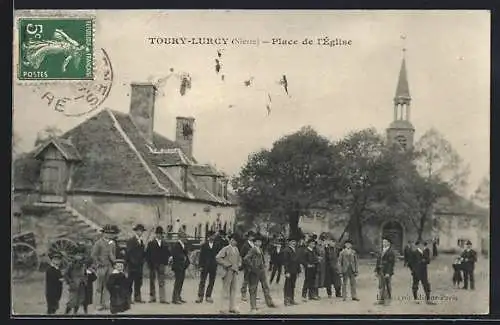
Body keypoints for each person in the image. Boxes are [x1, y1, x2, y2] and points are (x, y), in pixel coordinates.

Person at [243, 233, 277, 313]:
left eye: (260, 242)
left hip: (261, 271)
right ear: (254, 242)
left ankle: (269, 302)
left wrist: (264, 265)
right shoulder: (252, 250)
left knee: (265, 287)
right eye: (257, 242)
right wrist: (253, 267)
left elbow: (262, 259)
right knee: (253, 289)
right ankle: (253, 307)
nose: (259, 243)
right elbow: (246, 259)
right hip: (255, 272)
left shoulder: (260, 249)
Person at [91, 224, 119, 311]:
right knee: (99, 287)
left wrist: (114, 265)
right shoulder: (98, 243)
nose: (109, 235)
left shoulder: (113, 243)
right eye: (107, 233)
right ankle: (97, 304)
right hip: (101, 268)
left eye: (111, 233)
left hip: (109, 267)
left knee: (107, 286)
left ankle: (105, 303)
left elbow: (114, 255)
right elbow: (93, 255)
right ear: (103, 233)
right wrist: (98, 263)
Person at [216, 233, 242, 314]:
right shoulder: (226, 248)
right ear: (231, 240)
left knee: (233, 289)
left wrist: (239, 264)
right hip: (227, 271)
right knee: (225, 289)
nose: (235, 242)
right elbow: (218, 257)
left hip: (234, 271)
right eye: (233, 240)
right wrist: (226, 264)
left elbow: (239, 259)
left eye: (236, 241)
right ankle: (223, 308)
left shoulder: (236, 249)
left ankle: (232, 307)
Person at [145, 226, 171, 304]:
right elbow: (147, 255)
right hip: (153, 264)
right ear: (155, 234)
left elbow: (168, 254)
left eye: (160, 234)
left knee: (162, 281)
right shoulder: (151, 243)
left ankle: (162, 298)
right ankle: (152, 298)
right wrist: (149, 264)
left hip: (161, 265)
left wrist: (166, 263)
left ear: (162, 234)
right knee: (152, 281)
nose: (159, 235)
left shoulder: (165, 243)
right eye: (158, 234)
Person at [64, 245, 91, 314]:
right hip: (74, 285)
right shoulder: (71, 265)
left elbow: (85, 274)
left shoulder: (83, 265)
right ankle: (66, 313)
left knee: (80, 300)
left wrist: (85, 280)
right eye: (78, 255)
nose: (79, 258)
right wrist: (70, 282)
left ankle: (75, 313)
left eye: (81, 257)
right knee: (72, 300)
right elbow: (66, 274)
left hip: (82, 285)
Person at [126, 224, 146, 304]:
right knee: (130, 282)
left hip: (139, 265)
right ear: (136, 231)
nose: (140, 232)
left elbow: (142, 253)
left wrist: (142, 260)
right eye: (139, 230)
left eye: (141, 231)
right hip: (132, 265)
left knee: (138, 282)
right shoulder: (131, 240)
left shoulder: (141, 241)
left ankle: (137, 297)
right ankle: (128, 298)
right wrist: (133, 262)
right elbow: (129, 253)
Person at [196, 230, 219, 303]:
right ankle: (200, 296)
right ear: (209, 237)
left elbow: (218, 255)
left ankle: (208, 296)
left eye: (214, 236)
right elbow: (201, 256)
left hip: (213, 266)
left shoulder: (217, 245)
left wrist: (217, 262)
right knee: (202, 281)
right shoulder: (204, 245)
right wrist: (200, 266)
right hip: (205, 266)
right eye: (212, 236)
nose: (214, 237)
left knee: (211, 281)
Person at [374, 238, 395, 305]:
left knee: (387, 285)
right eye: (383, 242)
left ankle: (388, 300)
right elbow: (378, 261)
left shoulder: (391, 252)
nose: (384, 243)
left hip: (386, 271)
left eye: (385, 242)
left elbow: (391, 263)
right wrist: (376, 270)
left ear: (389, 243)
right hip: (380, 270)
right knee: (381, 285)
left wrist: (388, 273)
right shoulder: (381, 251)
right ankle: (381, 300)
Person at [171, 232, 190, 304]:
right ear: (180, 238)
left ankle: (178, 296)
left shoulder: (184, 245)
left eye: (185, 237)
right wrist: (183, 257)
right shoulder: (176, 245)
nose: (185, 238)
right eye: (184, 237)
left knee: (181, 282)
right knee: (178, 282)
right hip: (178, 266)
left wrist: (187, 262)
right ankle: (175, 298)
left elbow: (186, 254)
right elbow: (175, 255)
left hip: (183, 266)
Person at [282, 235, 301, 306]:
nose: (294, 243)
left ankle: (292, 299)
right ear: (289, 242)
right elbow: (285, 262)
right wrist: (286, 271)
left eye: (294, 241)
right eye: (292, 241)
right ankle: (286, 301)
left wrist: (298, 271)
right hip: (289, 271)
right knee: (287, 285)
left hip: (295, 270)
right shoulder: (286, 250)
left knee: (293, 285)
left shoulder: (296, 250)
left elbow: (298, 261)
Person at [239, 230, 256, 301]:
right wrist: (243, 263)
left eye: (253, 236)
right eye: (251, 236)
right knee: (246, 280)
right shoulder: (245, 245)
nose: (252, 237)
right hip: (247, 265)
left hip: (254, 264)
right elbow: (242, 255)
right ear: (248, 237)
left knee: (253, 280)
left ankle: (253, 294)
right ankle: (243, 294)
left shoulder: (254, 244)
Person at [314, 234, 328, 298]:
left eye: (323, 240)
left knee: (320, 280)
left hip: (323, 265)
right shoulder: (315, 246)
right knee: (316, 279)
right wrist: (317, 258)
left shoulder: (324, 247)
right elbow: (313, 254)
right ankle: (315, 294)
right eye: (321, 240)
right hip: (317, 265)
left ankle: (317, 294)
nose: (321, 241)